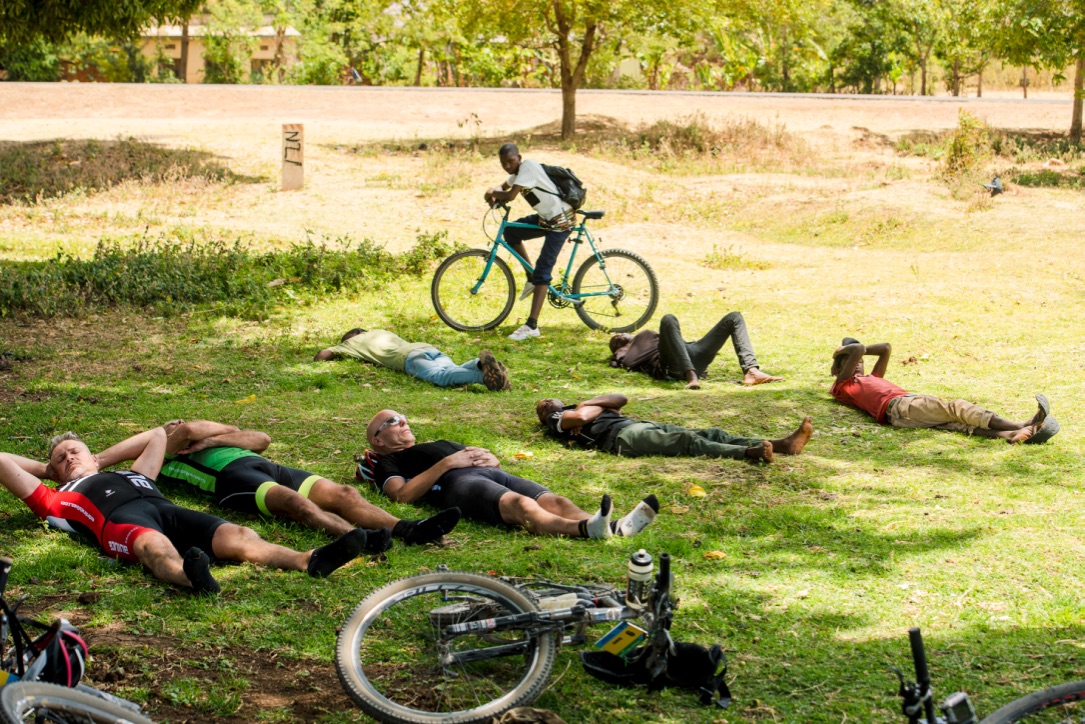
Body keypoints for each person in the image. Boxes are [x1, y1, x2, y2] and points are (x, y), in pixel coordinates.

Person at [0, 427, 371, 595]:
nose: (68, 458)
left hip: (166, 509)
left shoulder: (134, 473)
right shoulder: (55, 498)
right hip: (122, 523)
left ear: (91, 455)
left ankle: (308, 560)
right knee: (154, 550)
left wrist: (98, 458)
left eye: (74, 451)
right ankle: (191, 578)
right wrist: (47, 470)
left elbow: (157, 436)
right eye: (61, 459)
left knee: (239, 536)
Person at [107, 421, 458, 546]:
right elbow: (187, 431)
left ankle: (408, 529)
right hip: (231, 480)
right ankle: (359, 540)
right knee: (298, 506)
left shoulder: (212, 440)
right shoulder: (165, 450)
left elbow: (262, 438)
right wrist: (187, 434)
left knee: (344, 493)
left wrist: (214, 440)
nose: (178, 423)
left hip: (266, 465)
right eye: (170, 424)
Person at [362, 409, 658, 539]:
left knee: (557, 501)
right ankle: (583, 530)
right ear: (377, 440)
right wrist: (447, 464)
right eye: (391, 421)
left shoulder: (433, 444)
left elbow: (474, 456)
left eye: (402, 417)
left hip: (490, 473)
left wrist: (493, 459)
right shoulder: (389, 461)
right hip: (458, 484)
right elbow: (401, 496)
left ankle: (612, 526)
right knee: (521, 507)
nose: (402, 421)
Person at [829, 338, 1058, 444]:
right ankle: (1018, 425)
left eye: (859, 360)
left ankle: (1008, 435)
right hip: (900, 406)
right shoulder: (842, 385)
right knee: (956, 408)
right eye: (850, 360)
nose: (858, 361)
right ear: (840, 368)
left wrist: (852, 352)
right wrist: (845, 350)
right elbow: (858, 348)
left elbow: (886, 348)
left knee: (955, 425)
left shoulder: (872, 377)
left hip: (900, 415)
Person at [537, 394, 813, 463]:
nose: (546, 403)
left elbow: (621, 399)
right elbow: (582, 419)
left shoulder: (582, 405)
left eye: (548, 400)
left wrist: (589, 402)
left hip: (635, 427)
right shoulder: (557, 419)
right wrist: (591, 408)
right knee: (685, 441)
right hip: (621, 438)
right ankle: (748, 454)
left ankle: (783, 444)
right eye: (542, 407)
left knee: (709, 433)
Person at [483, 143, 575, 341]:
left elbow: (510, 195)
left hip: (560, 221)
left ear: (519, 157)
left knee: (544, 270)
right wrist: (494, 194)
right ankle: (531, 277)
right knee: (511, 231)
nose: (507, 166)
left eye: (511, 161)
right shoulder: (517, 174)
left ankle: (532, 325)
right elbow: (504, 187)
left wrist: (492, 192)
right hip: (546, 219)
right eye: (503, 163)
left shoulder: (528, 167)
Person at [609, 312, 783, 390]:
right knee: (668, 319)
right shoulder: (627, 352)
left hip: (692, 353)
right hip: (672, 364)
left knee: (734, 318)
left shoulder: (647, 336)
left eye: (619, 334)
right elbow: (624, 361)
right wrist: (619, 352)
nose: (618, 335)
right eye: (616, 340)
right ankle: (690, 375)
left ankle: (751, 370)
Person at [315, 328, 510, 391]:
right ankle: (479, 365)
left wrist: (326, 356)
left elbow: (322, 355)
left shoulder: (351, 343)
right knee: (451, 369)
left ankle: (482, 378)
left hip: (409, 358)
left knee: (441, 377)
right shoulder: (380, 331)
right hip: (424, 347)